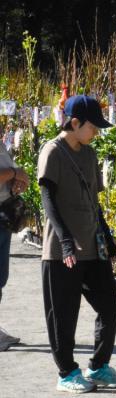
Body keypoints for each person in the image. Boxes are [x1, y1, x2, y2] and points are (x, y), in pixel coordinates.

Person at [38, 95, 116, 393]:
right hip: (61, 252)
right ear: (74, 123)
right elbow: (48, 200)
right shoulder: (52, 152)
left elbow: (94, 201)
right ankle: (66, 373)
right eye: (93, 126)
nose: (97, 132)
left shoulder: (89, 155)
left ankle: (99, 366)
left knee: (110, 306)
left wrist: (108, 237)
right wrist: (65, 241)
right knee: (63, 315)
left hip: (93, 247)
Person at [0, 133, 29, 352]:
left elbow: (19, 175)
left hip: (4, 215)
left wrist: (19, 177)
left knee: (1, 277)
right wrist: (14, 173)